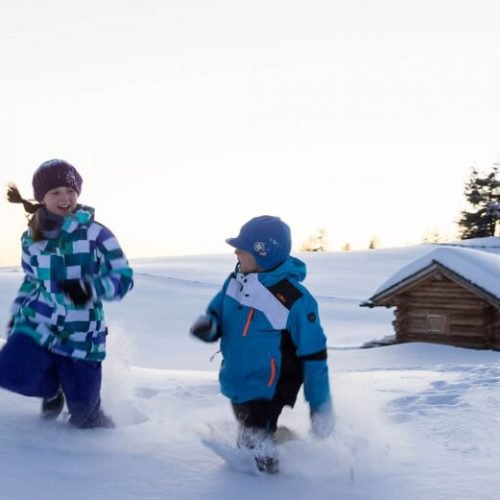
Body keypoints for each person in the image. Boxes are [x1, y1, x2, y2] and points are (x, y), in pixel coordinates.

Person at [190, 215, 334, 473]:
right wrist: (209, 327)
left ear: (263, 253)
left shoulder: (294, 300)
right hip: (238, 379)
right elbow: (217, 313)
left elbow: (314, 355)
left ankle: (270, 484)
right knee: (251, 433)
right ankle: (284, 442)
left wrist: (320, 407)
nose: (235, 251)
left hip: (271, 385)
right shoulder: (235, 281)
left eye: (242, 248)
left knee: (255, 446)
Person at [0, 159, 134, 429]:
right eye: (56, 192)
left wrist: (90, 288)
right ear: (42, 198)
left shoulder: (97, 234)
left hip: (81, 333)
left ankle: (107, 440)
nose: (65, 198)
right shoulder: (31, 238)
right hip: (39, 322)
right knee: (8, 371)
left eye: (70, 190)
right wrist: (17, 315)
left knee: (85, 417)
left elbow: (123, 278)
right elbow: (31, 281)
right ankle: (53, 388)